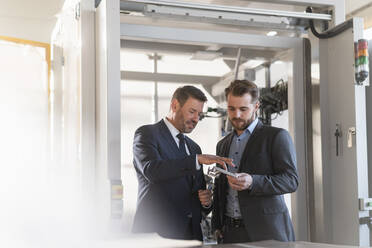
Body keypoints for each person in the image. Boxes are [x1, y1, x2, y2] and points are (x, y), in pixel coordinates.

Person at [132, 85, 233, 241]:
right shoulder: (147, 134)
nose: (195, 119)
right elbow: (152, 171)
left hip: (190, 235)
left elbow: (198, 199)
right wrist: (196, 160)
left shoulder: (193, 148)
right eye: (192, 112)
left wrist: (205, 202)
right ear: (174, 105)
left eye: (199, 114)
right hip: (157, 235)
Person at [212, 80, 299, 243]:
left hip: (267, 233)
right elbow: (220, 186)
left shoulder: (276, 137)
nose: (236, 115)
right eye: (231, 109)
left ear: (256, 106)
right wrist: (216, 225)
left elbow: (291, 181)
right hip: (230, 234)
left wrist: (253, 182)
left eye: (243, 109)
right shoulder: (222, 145)